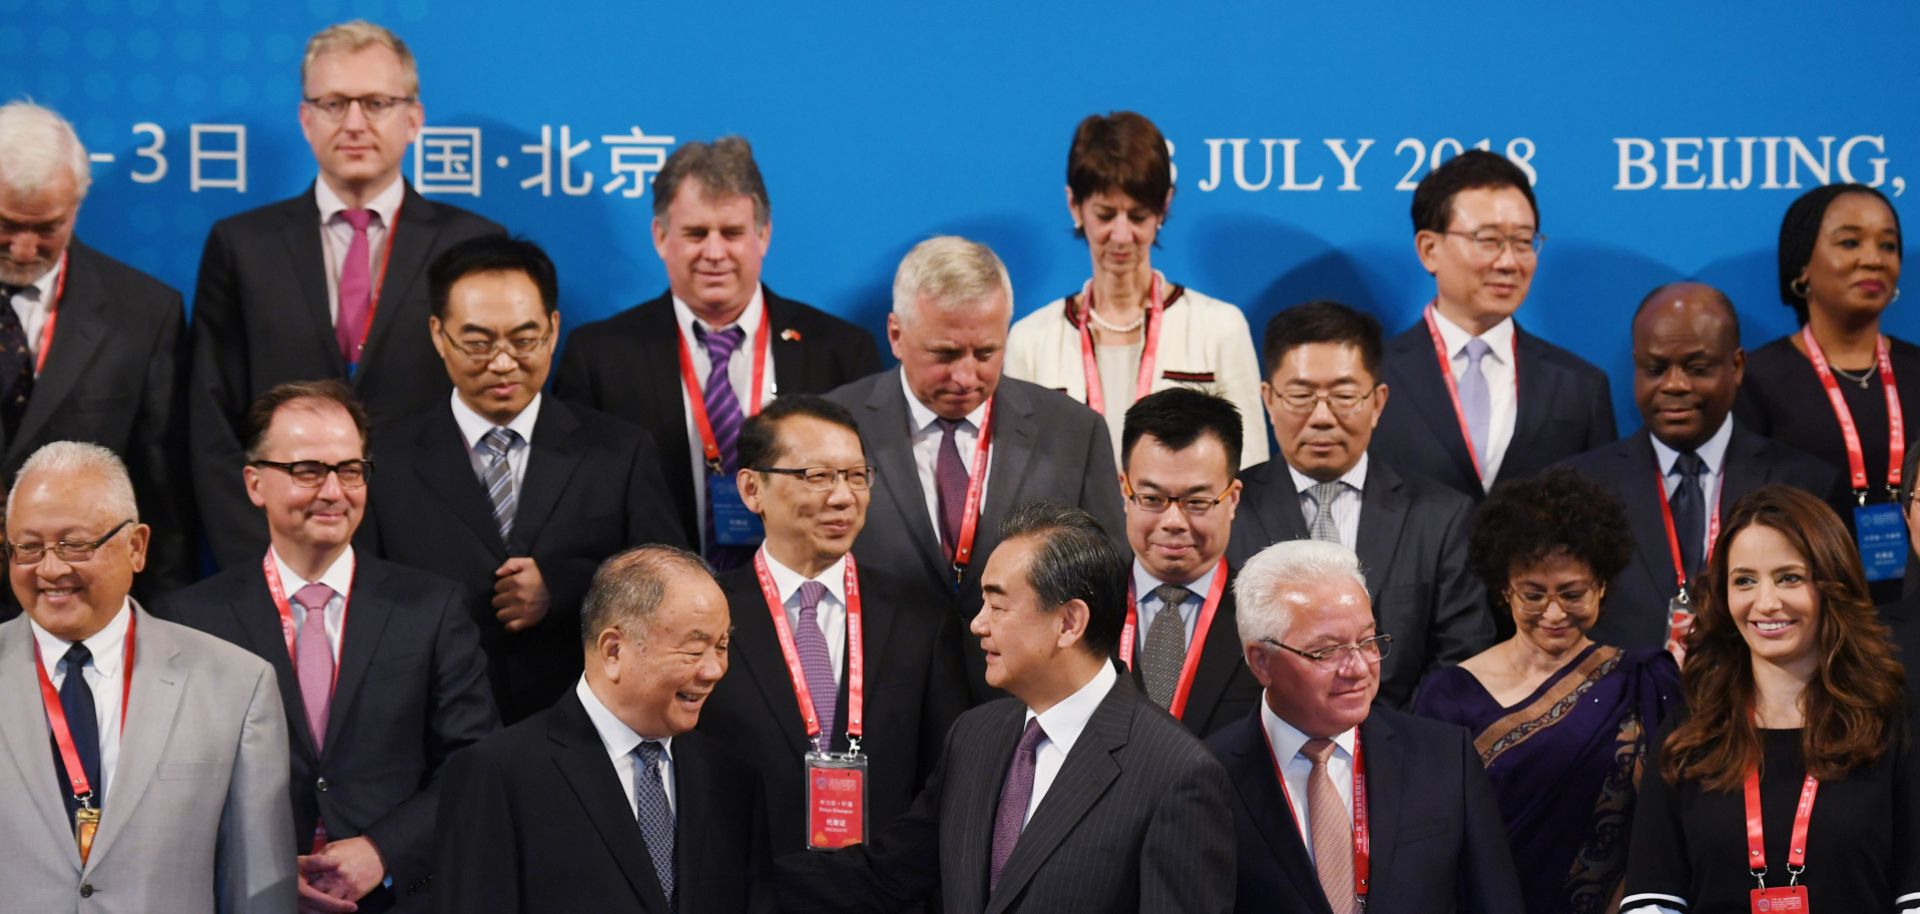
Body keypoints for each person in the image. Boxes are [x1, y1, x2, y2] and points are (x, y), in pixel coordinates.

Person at [778, 502, 1235, 913]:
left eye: (998, 605)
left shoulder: (1177, 773)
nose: (978, 624)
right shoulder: (974, 736)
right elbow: (889, 872)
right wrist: (738, 881)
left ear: (1069, 622)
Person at [155, 380, 496, 914]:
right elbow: (171, 779)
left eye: (350, 470)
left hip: (397, 896)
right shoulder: (192, 620)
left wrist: (382, 851)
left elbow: (474, 764)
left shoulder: (432, 608)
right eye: (307, 471)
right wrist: (258, 867)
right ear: (254, 483)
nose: (333, 491)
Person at [190, 20, 503, 570]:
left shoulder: (474, 244)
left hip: (437, 553)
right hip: (280, 551)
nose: (354, 123)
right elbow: (211, 423)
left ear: (413, 119)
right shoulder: (243, 246)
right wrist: (258, 555)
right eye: (334, 104)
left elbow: (500, 410)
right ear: (305, 119)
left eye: (377, 102)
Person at [358, 236, 682, 723]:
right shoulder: (386, 460)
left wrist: (564, 590)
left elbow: (666, 584)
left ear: (553, 330)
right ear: (437, 335)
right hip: (428, 722)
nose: (503, 362)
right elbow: (364, 598)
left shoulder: (619, 451)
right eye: (478, 342)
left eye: (524, 340)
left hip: (582, 721)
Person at [555, 137, 882, 567]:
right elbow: (582, 502)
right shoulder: (598, 356)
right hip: (656, 604)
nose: (714, 253)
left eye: (731, 233)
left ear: (763, 235)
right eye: (695, 234)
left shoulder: (840, 350)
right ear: (660, 236)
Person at [828, 236, 1126, 704]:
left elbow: (1107, 584)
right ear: (896, 334)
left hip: (1023, 710)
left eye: (986, 353)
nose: (966, 376)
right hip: (874, 706)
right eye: (945, 354)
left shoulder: (1073, 431)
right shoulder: (833, 427)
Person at [0, 442, 294, 912]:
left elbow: (259, 888)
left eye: (74, 544)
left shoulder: (236, 685)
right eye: (28, 548)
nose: (50, 569)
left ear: (136, 547)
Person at [1622, 485, 1919, 912]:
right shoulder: (1689, 733)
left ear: (1830, 585)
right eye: (1744, 580)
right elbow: (1653, 900)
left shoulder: (1892, 726)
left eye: (1789, 578)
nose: (1766, 602)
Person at [698, 394, 968, 858]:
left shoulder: (920, 618)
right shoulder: (707, 616)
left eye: (857, 476)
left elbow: (945, 781)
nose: (843, 496)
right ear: (751, 489)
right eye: (816, 476)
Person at [434, 546, 774, 913]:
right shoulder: (499, 774)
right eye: (694, 650)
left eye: (721, 646)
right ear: (614, 650)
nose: (714, 670)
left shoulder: (732, 782)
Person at [1413, 466, 1680, 914]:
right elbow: (1428, 832)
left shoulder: (1645, 681)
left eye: (1572, 594)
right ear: (1504, 591)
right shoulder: (1448, 695)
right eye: (1533, 595)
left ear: (1602, 587)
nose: (1554, 613)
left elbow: (1670, 820)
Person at [1207, 539, 1524, 913]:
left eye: (1368, 641)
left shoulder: (1444, 758)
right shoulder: (1208, 776)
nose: (1358, 668)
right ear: (1261, 661)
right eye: (1327, 651)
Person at [1229, 301, 1490, 705]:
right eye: (1300, 395)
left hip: (1401, 752)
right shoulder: (1229, 509)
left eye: (1344, 395)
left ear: (1378, 402)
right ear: (1268, 399)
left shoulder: (1440, 518)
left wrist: (1389, 746)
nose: (1321, 417)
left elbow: (1459, 660)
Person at [1565, 282, 1841, 651]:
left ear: (1737, 366)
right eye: (1655, 368)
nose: (1674, 385)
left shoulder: (1806, 485)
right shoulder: (1579, 489)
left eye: (1697, 367)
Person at [0, 101, 193, 596]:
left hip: (79, 606)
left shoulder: (145, 314)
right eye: (6, 224)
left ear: (78, 205)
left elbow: (162, 495)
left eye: (47, 228)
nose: (24, 248)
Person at [1004, 111, 1266, 468]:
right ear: (1074, 206)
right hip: (1069, 525)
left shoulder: (1221, 327)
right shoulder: (1030, 340)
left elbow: (1249, 470)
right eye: (1106, 214)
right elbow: (1017, 476)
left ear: (1165, 207)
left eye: (1139, 215)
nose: (1123, 235)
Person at [1372, 150, 1615, 501]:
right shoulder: (1373, 379)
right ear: (1428, 249)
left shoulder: (1579, 388)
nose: (1509, 261)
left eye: (1522, 241)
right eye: (1488, 240)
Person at [1734, 183, 1910, 599]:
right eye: (1850, 242)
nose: (1874, 259)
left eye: (1888, 245)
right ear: (1802, 267)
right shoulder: (1756, 378)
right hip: (1805, 605)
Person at [1117, 388, 1261, 736]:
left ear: (1232, 499)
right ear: (1125, 491)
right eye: (1151, 498)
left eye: (1196, 502)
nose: (1173, 521)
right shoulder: (1078, 612)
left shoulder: (1267, 622)